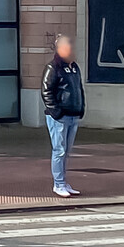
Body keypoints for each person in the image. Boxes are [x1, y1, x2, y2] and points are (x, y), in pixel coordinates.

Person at [42, 35, 86, 196]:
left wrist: (81, 107)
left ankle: (63, 182)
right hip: (60, 117)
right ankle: (58, 184)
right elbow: (47, 91)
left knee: (66, 151)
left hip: (73, 114)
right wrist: (56, 112)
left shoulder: (74, 68)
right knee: (59, 150)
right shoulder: (53, 67)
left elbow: (78, 89)